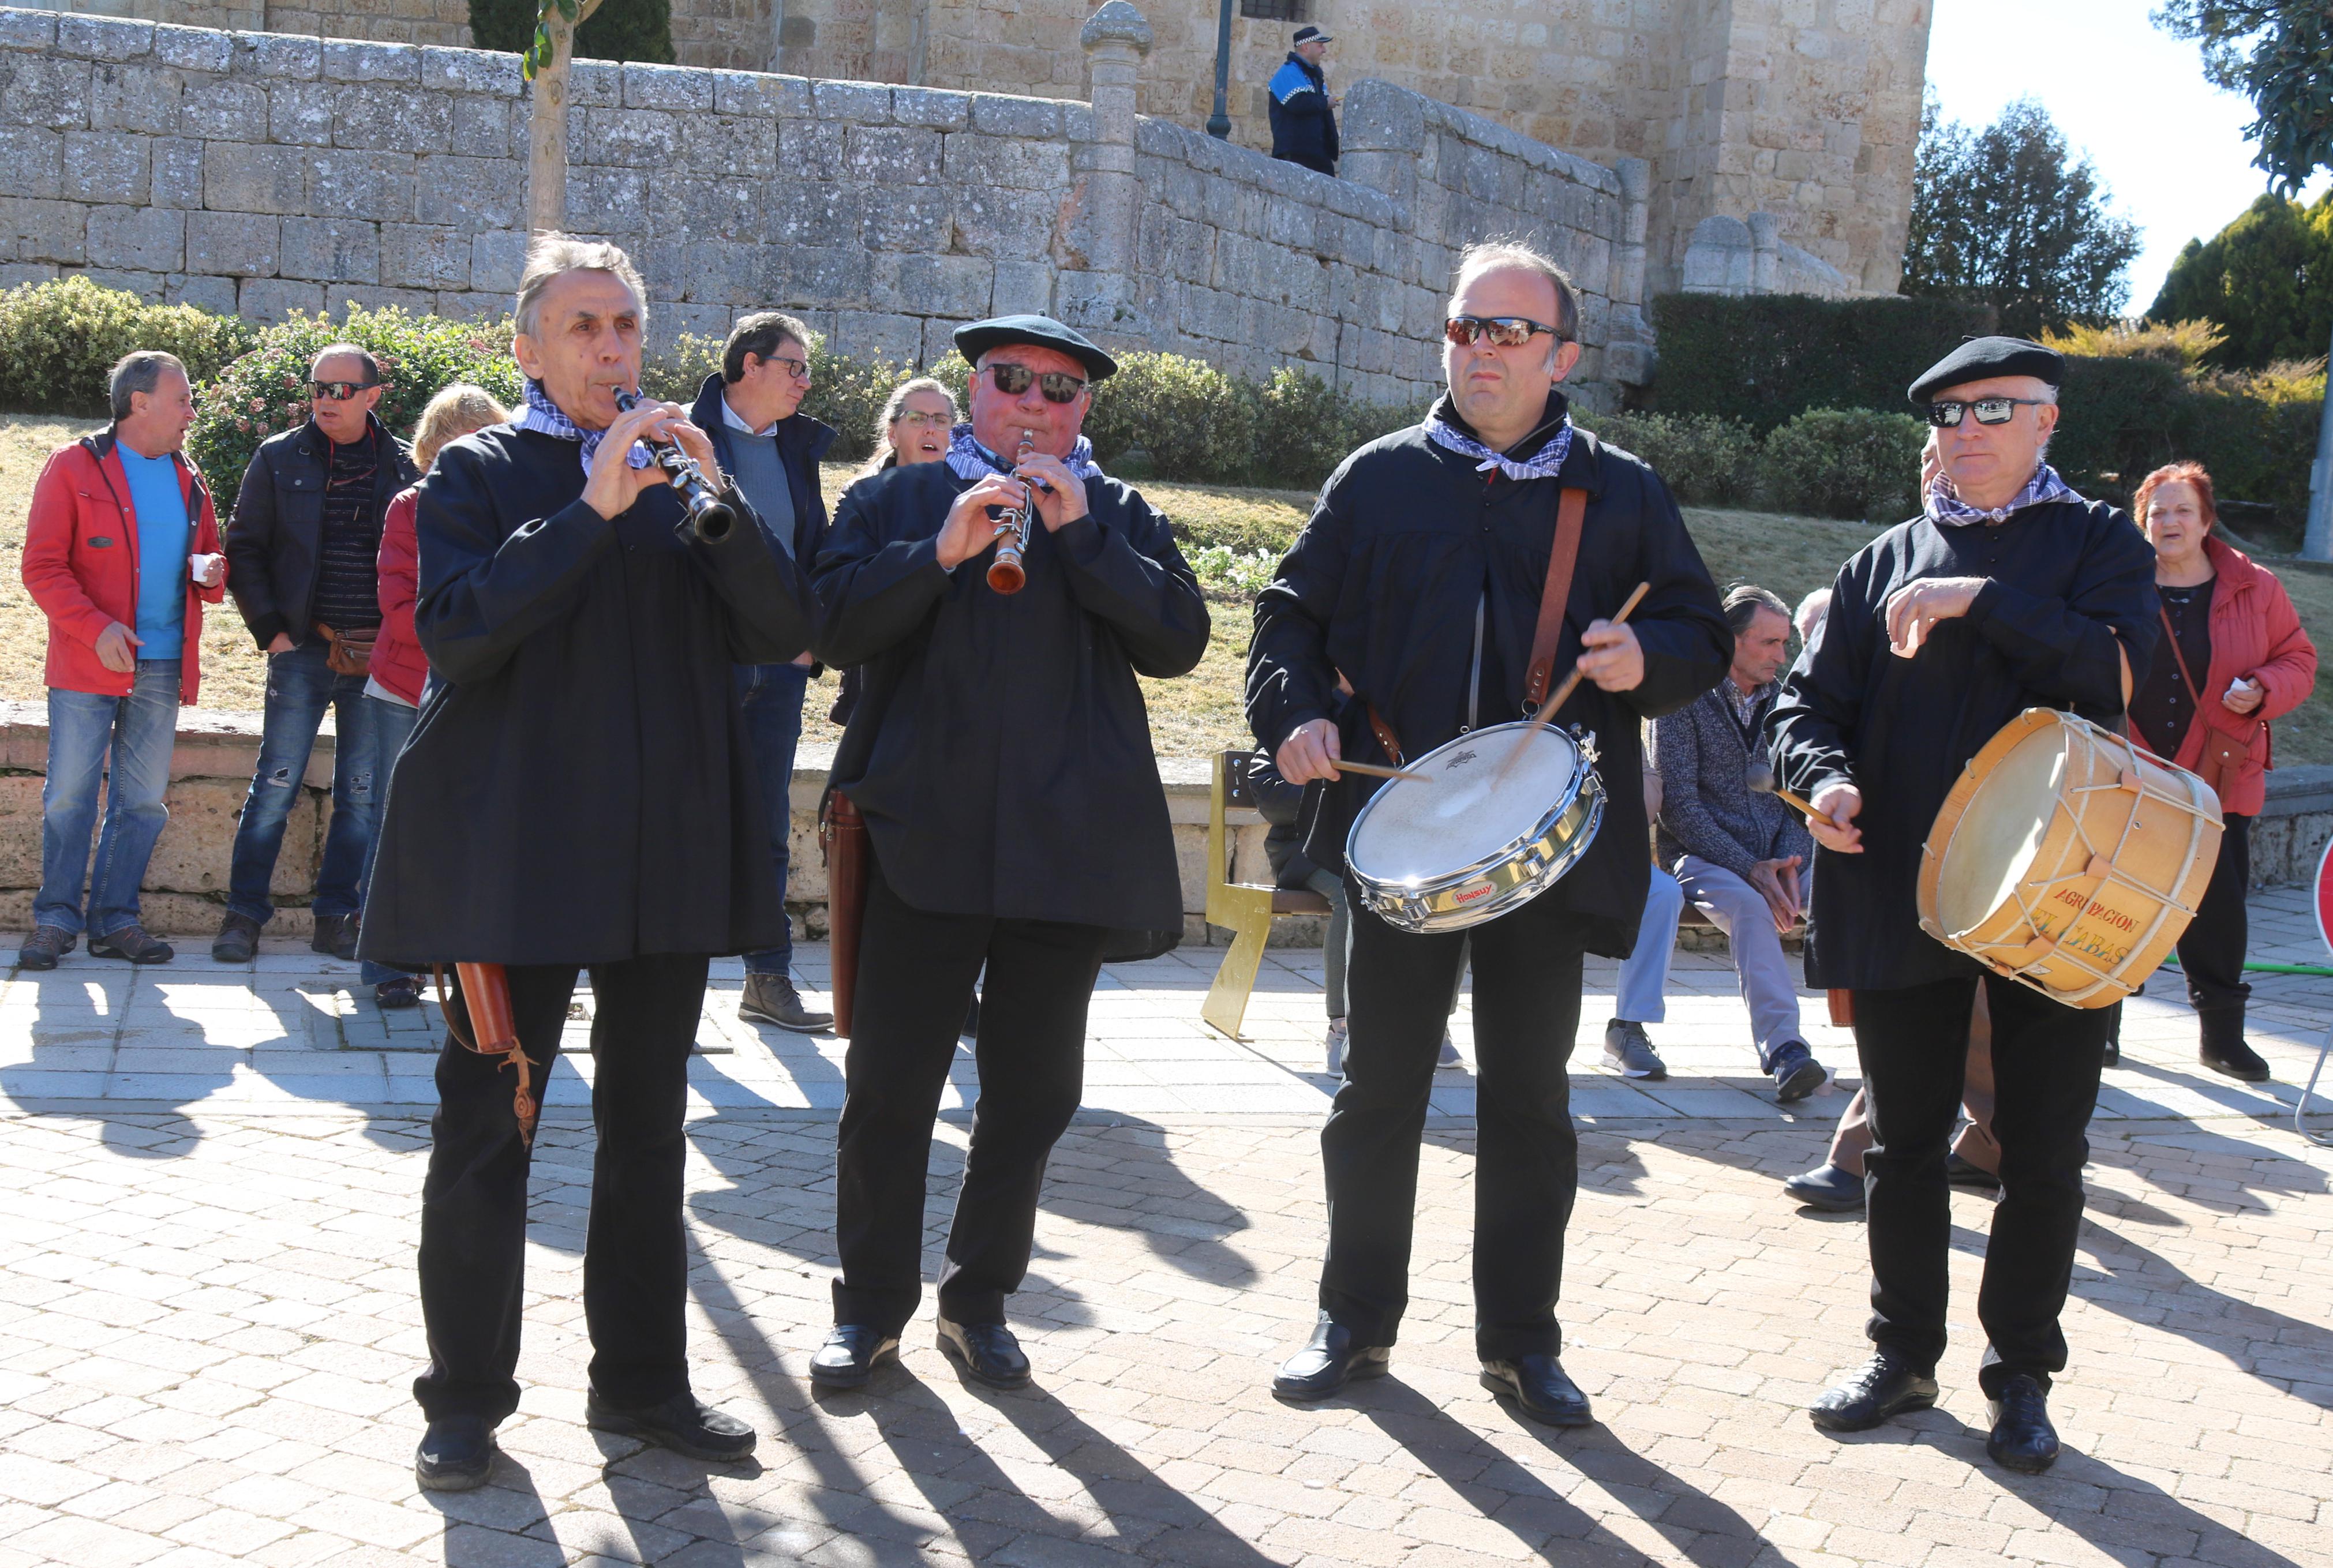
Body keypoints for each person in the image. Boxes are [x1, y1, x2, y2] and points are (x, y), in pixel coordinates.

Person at [358, 236, 810, 1490]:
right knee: (488, 1131)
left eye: (625, 326)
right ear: (527, 349)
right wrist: (589, 510)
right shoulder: (479, 475)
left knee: (649, 1130)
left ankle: (643, 1388)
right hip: (513, 861)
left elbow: (783, 631)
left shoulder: (683, 480)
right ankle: (462, 1403)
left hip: (657, 860)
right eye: (583, 327)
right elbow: (455, 630)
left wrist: (714, 504)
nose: (612, 348)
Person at [1252, 242, 1730, 1425]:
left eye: (1507, 332)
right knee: (1375, 1092)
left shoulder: (1618, 492)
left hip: (1540, 850)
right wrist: (1296, 714)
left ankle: (1520, 1340)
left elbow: (1696, 633)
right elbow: (1284, 620)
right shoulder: (1377, 480)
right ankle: (1350, 1320)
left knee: (1527, 1101)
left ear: (1562, 355)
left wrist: (1643, 658)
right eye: (1464, 328)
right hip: (1398, 833)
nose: (1479, 349)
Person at [1769, 335, 2158, 1474]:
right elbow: (1804, 704)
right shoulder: (1876, 561)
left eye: (1996, 407)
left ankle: (2018, 1377)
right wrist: (1819, 779)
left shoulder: (2094, 544)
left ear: (2047, 422)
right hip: (1897, 891)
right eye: (1947, 412)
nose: (1967, 428)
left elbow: (2119, 678)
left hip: (2055, 899)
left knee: (2039, 1150)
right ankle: (1901, 1358)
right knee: (1898, 1147)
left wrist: (1979, 599)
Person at [806, 314, 1208, 1393]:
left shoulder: (1115, 510)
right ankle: (870, 1309)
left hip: (1062, 847)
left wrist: (1082, 542)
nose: (1034, 404)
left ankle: (977, 1299)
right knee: (890, 1087)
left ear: (1084, 411)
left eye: (1061, 391)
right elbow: (830, 625)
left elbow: (1178, 642)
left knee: (1032, 1093)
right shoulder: (897, 495)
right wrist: (941, 548)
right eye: (1010, 380)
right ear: (972, 388)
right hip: (921, 838)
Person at [17, 351, 227, 969]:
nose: (192, 411)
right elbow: (41, 567)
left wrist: (213, 573)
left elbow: (210, 564)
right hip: (88, 662)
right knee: (68, 798)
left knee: (140, 802)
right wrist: (93, 627)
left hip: (163, 665)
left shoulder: (190, 475)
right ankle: (55, 919)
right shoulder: (73, 466)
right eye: (183, 399)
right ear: (140, 403)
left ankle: (115, 922)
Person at [216, 345, 419, 965]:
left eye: (340, 390)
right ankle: (242, 916)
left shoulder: (405, 464)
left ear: (372, 396)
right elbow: (244, 548)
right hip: (302, 648)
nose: (325, 400)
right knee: (274, 784)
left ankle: (338, 917)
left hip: (378, 658)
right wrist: (272, 631)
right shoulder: (279, 457)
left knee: (362, 793)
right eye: (317, 388)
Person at [2126, 460, 2316, 1082]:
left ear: (2206, 520)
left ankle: (2220, 1038)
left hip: (2217, 776)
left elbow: (2297, 658)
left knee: (2216, 911)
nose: (2169, 521)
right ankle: (2098, 1028)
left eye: (2182, 510)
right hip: (2130, 772)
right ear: (2141, 521)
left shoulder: (2254, 586)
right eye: (2157, 512)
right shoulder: (2115, 581)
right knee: (2116, 902)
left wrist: (2262, 688)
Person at [690, 312, 837, 1033]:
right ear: (749, 366)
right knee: (681, 824)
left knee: (766, 830)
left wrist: (807, 642)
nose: (805, 383)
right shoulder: (680, 434)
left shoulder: (799, 447)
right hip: (700, 667)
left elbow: (813, 550)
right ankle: (668, 994)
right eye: (794, 367)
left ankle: (767, 979)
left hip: (777, 669)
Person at [358, 384, 509, 1010]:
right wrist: (463, 645)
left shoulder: (509, 507)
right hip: (406, 689)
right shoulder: (407, 508)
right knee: (393, 828)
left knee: (475, 834)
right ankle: (389, 965)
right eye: (453, 450)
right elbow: (398, 606)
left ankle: (467, 964)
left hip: (480, 690)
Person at [1651, 584, 1828, 1101]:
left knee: (1855, 889)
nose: (1782, 654)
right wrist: (1751, 866)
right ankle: (1785, 1050)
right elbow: (1678, 804)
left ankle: (1893, 1046)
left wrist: (1790, 861)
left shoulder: (1788, 702)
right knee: (1751, 908)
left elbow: (1799, 793)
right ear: (1732, 642)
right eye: (1770, 642)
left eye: (1782, 643)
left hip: (1783, 860)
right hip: (1704, 860)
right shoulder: (1681, 700)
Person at [1596, 772, 1686, 1080]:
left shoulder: (1620, 723)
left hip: (1605, 846)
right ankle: (1442, 1019)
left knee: (1664, 893)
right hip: (1534, 842)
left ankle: (1628, 1026)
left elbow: (1648, 787)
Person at [1268, 25, 1340, 177]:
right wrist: (1325, 103)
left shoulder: (1315, 76)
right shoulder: (1288, 72)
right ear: (1306, 47)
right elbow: (1297, 103)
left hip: (1319, 156)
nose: (1324, 51)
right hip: (1296, 155)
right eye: (1320, 46)